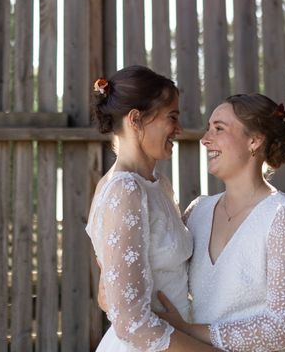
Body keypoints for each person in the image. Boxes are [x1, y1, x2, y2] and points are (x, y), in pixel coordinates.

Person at [156, 93, 285, 351]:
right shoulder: (197, 212)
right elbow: (162, 270)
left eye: (218, 128)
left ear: (254, 141)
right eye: (208, 128)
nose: (205, 139)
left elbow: (284, 330)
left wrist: (187, 331)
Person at [85, 65, 216, 352]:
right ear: (136, 119)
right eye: (172, 118)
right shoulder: (124, 190)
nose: (179, 130)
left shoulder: (158, 185)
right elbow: (131, 321)